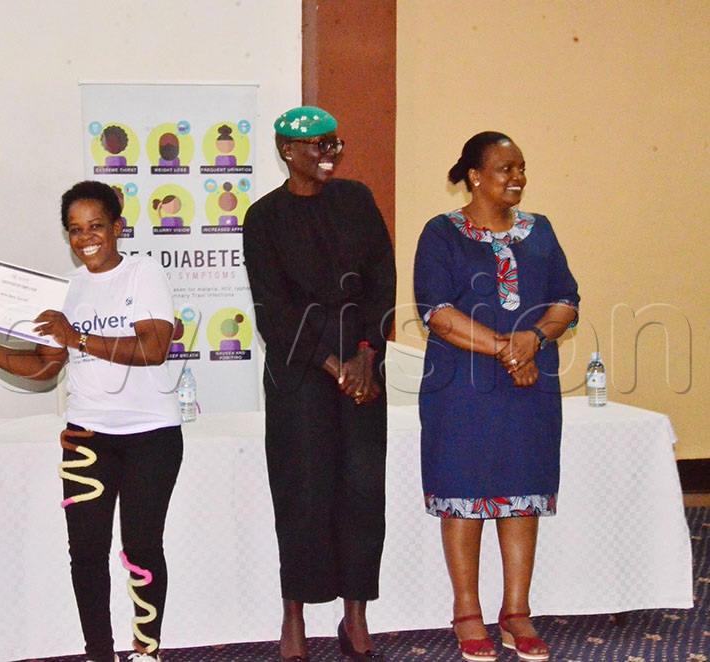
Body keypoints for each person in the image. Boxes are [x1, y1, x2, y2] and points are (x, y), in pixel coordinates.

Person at [0, 180, 183, 662]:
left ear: (117, 228)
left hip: (150, 436)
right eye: (74, 230)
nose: (86, 238)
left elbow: (153, 348)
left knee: (141, 549)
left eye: (96, 227)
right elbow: (45, 366)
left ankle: (146, 651)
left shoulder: (144, 273)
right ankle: (99, 653)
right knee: (85, 552)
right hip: (86, 436)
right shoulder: (66, 291)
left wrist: (79, 338)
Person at [413, 131, 580, 662]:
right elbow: (435, 310)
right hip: (461, 386)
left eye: (522, 168)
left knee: (522, 488)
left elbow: (566, 300)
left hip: (530, 384)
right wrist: (508, 349)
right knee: (463, 492)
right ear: (475, 176)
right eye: (505, 168)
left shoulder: (541, 230)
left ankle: (516, 612)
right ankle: (467, 612)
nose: (518, 178)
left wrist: (535, 340)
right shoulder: (441, 233)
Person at [243, 106, 396, 661]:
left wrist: (363, 355)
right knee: (303, 493)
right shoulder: (264, 218)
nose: (330, 155)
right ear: (287, 151)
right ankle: (295, 615)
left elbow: (383, 279)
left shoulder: (357, 200)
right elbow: (273, 311)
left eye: (335, 144)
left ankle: (355, 613)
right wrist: (333, 366)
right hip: (299, 374)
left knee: (361, 491)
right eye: (318, 147)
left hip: (362, 368)